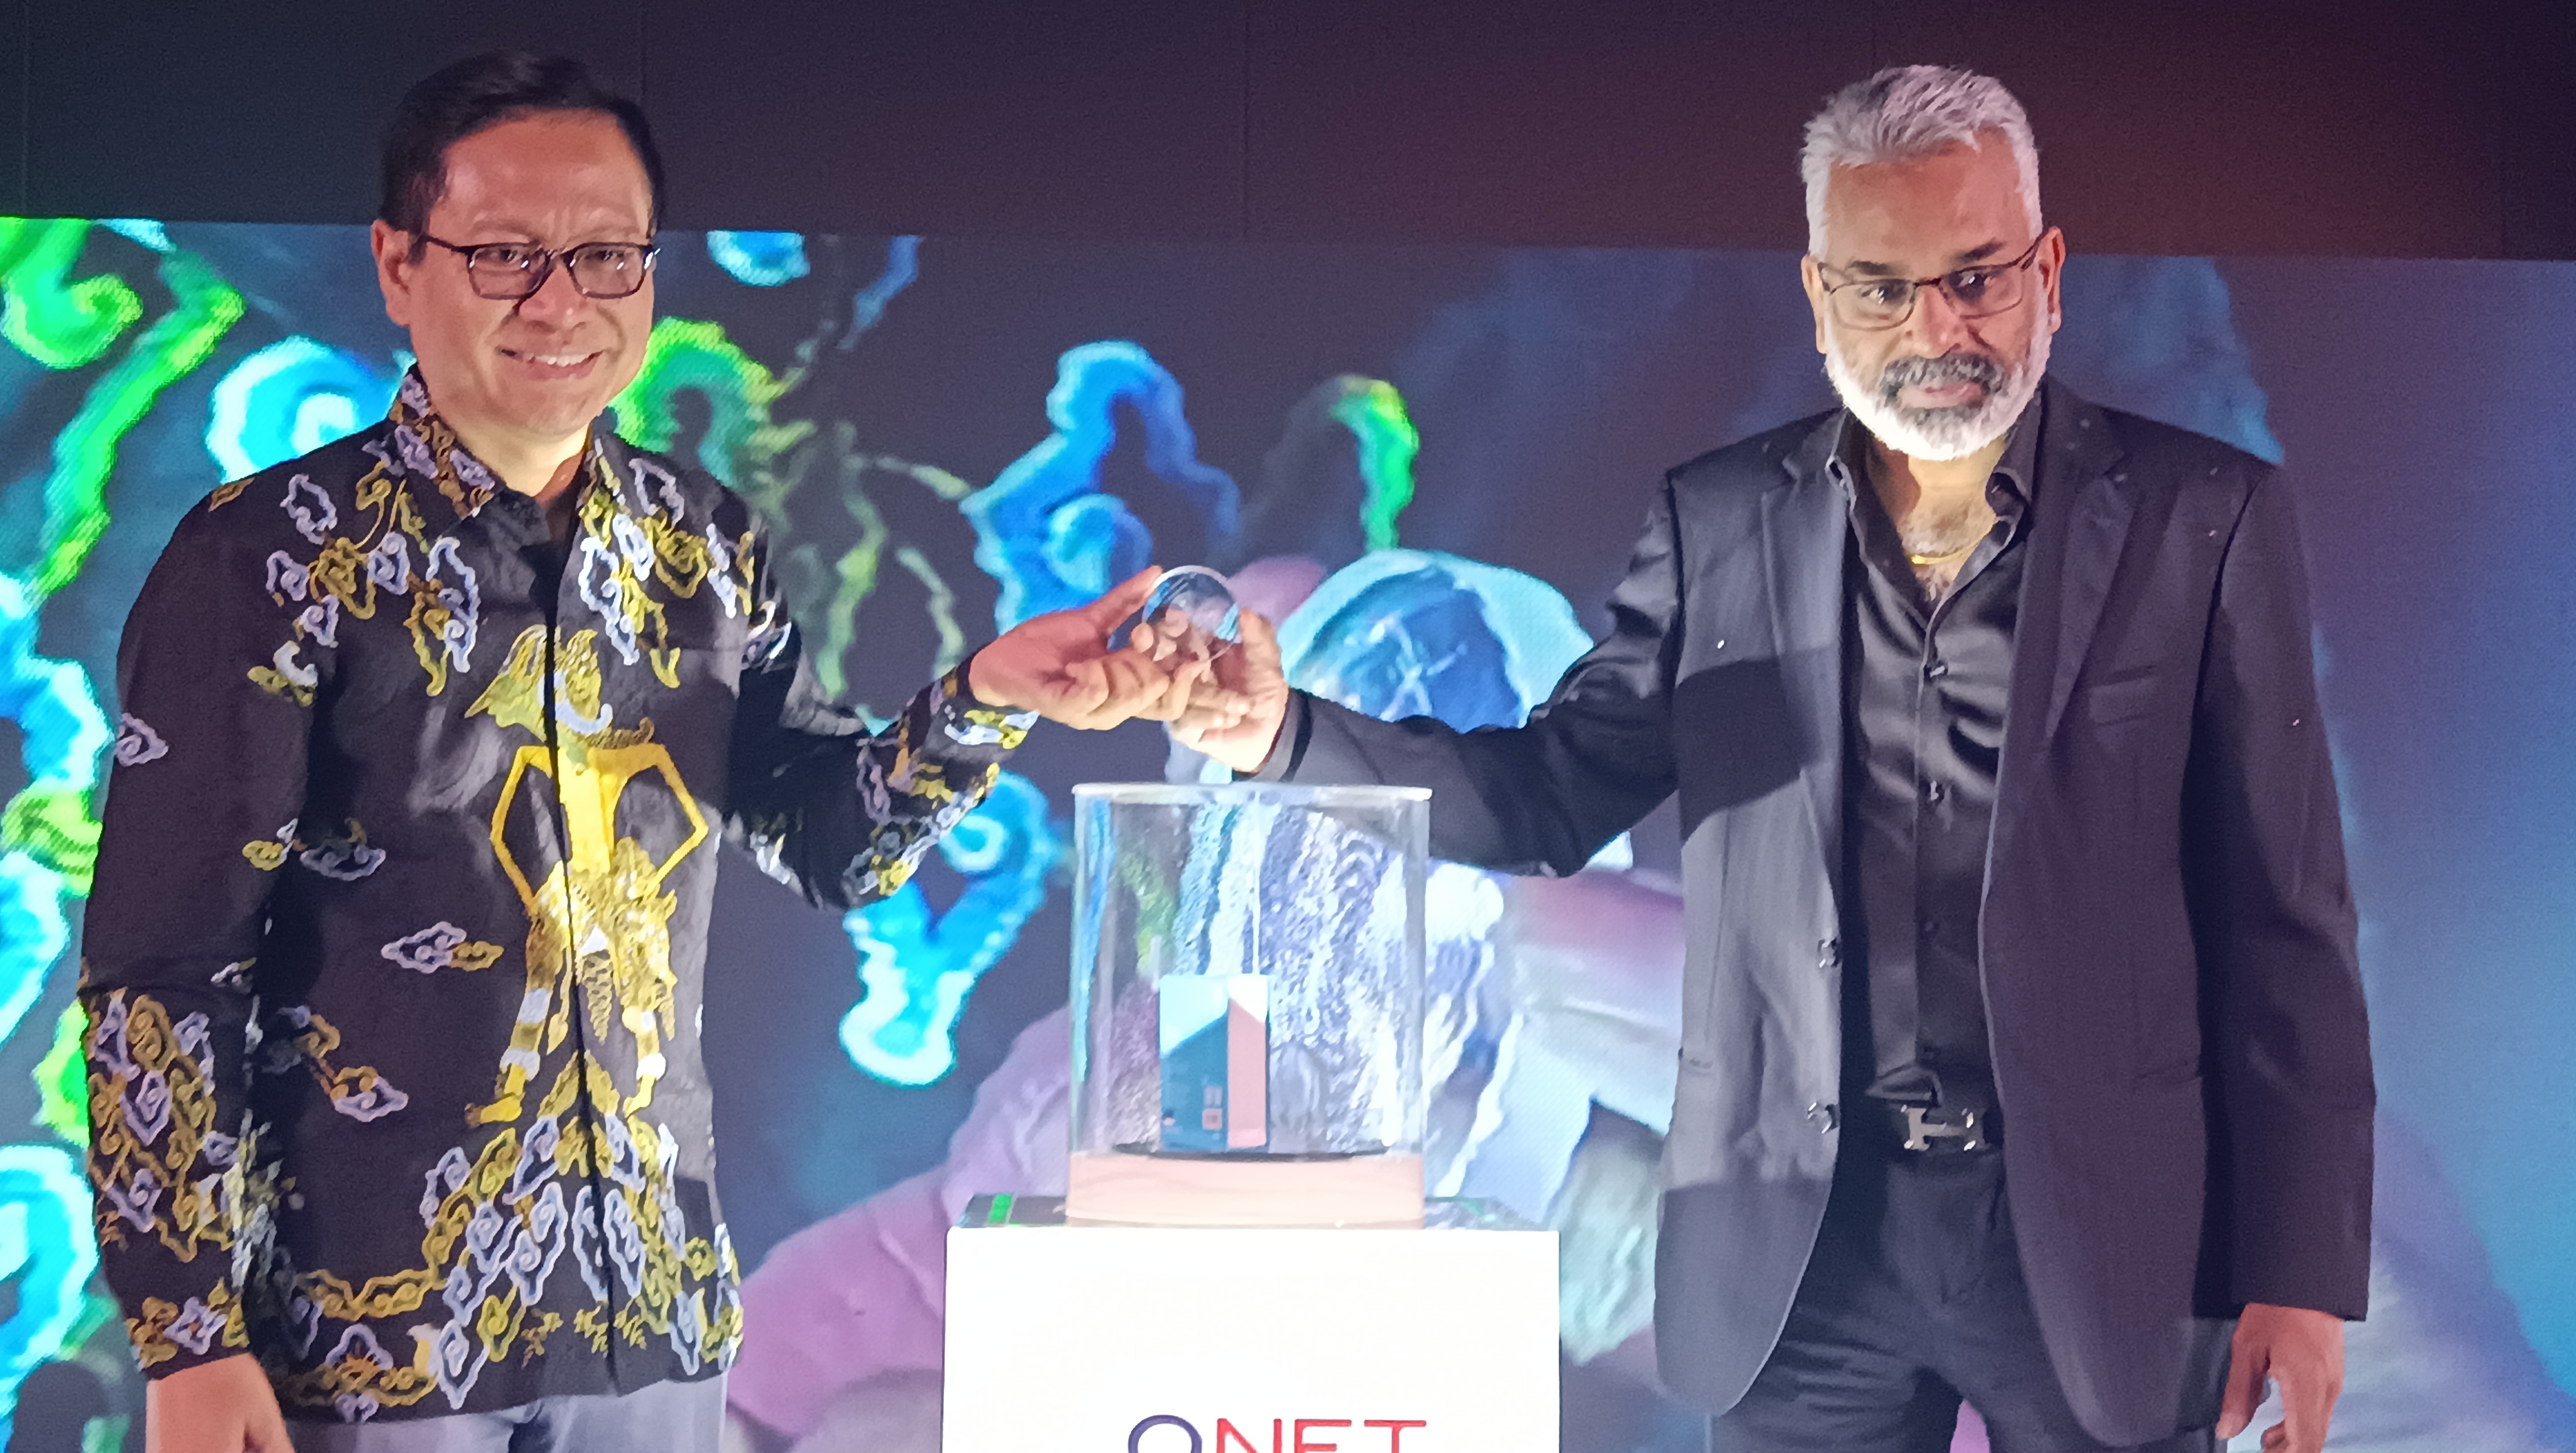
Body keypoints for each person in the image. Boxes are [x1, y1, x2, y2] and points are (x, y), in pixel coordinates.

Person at [1177, 65, 2371, 1453]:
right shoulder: (1718, 522)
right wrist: (1279, 732)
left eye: (1975, 277)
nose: (1934, 329)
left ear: (2046, 274)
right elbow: (1546, 792)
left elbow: (2283, 921)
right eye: (1880, 287)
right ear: (1818, 298)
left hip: (2100, 1247)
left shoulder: (2202, 518)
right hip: (1798, 1255)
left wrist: (2300, 1272)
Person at [82, 50, 1219, 1453]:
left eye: (606, 254)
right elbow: (165, 966)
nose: (560, 300)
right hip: (367, 1330)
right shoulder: (270, 555)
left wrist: (986, 695)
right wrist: (188, 1334)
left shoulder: (700, 541)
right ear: (397, 265)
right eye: (503, 253)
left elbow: (828, 840)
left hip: (648, 1312)